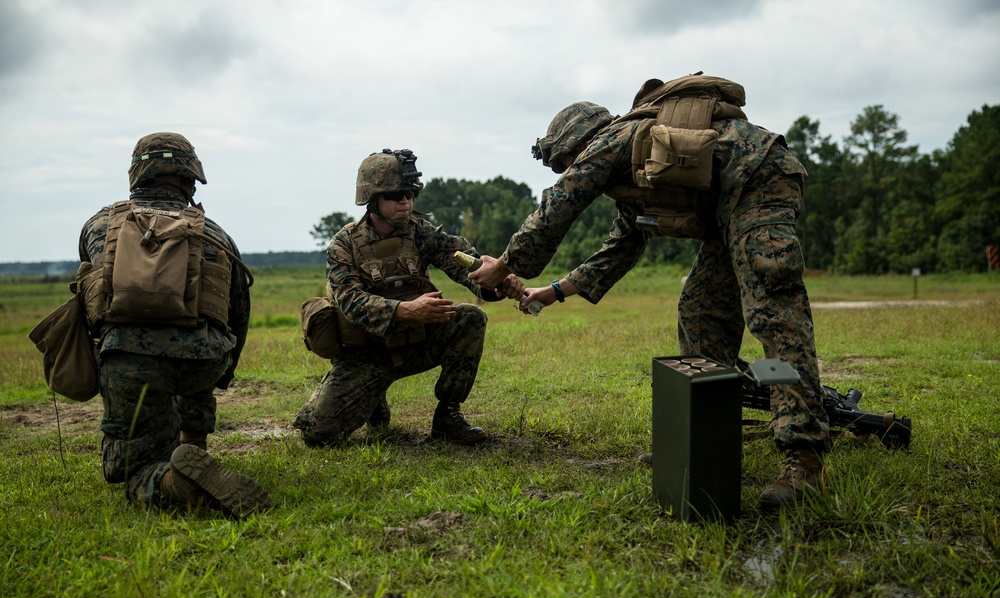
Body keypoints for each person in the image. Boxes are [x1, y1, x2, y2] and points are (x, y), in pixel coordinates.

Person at [469, 75, 831, 508]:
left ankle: (803, 456)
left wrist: (505, 266)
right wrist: (552, 291)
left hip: (759, 181)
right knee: (700, 312)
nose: (568, 168)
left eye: (565, 159)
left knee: (771, 312)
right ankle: (705, 437)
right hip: (726, 209)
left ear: (578, 142)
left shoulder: (612, 140)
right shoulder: (634, 172)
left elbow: (558, 205)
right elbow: (621, 247)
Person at [77, 132, 270, 517]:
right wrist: (224, 369)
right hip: (204, 361)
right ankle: (194, 447)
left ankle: (174, 479)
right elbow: (236, 314)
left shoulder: (99, 226)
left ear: (137, 176)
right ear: (190, 180)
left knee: (133, 471)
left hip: (131, 361)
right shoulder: (215, 233)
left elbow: (94, 295)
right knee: (196, 338)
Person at [294, 149, 523, 447]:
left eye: (410, 193)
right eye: (395, 194)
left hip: (416, 344)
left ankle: (447, 418)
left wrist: (498, 281)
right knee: (317, 434)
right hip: (366, 355)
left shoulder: (421, 234)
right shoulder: (344, 244)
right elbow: (350, 302)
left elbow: (468, 267)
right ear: (372, 199)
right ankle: (374, 397)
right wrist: (407, 310)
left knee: (469, 317)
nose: (405, 201)